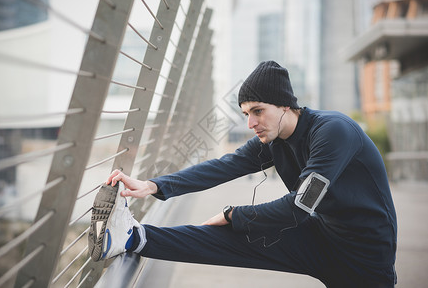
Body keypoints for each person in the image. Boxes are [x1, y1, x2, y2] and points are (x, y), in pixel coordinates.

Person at [88, 61, 397, 287]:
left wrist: (235, 214)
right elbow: (224, 166)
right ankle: (132, 236)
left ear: (285, 105)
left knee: (238, 222)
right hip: (324, 236)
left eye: (258, 111)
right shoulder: (274, 140)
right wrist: (153, 185)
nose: (250, 123)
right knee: (232, 235)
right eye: (246, 114)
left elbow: (301, 206)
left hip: (366, 255)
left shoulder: (333, 132)